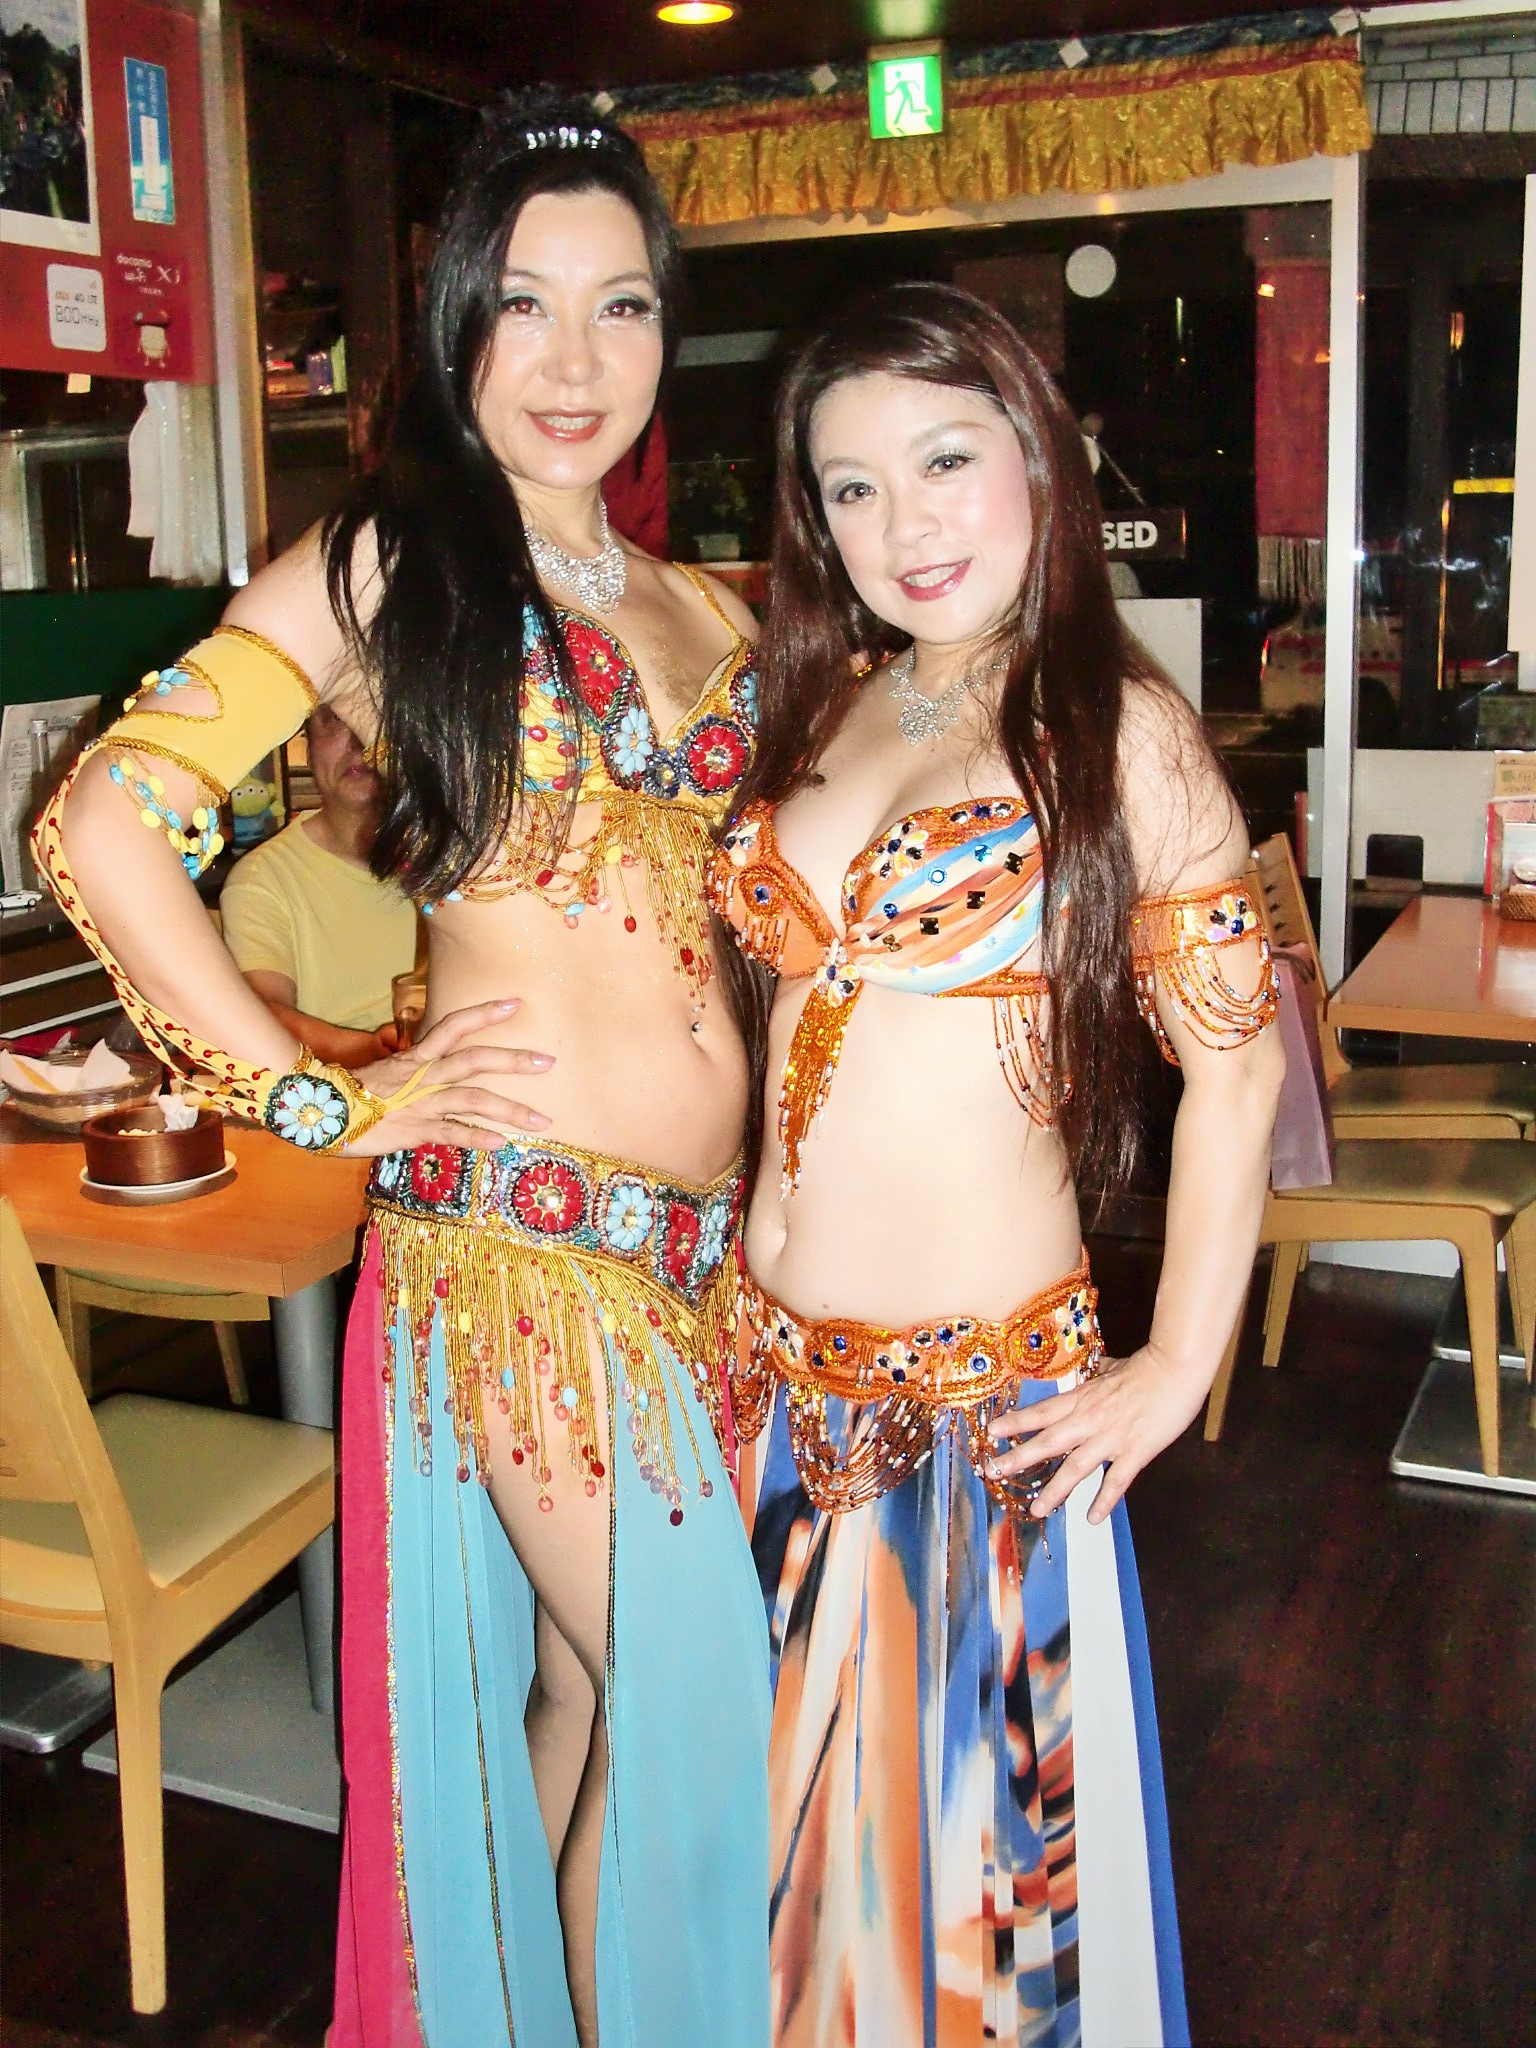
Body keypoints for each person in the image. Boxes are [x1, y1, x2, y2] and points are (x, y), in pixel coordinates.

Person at [34, 99, 769, 2048]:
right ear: (457, 326)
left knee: (591, 1697)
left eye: (621, 305)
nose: (575, 357)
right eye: (525, 303)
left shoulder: (703, 607)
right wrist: (321, 1099)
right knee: (703, 1703)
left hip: (707, 1264)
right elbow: (107, 819)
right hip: (521, 1255)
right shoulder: (383, 565)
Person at [709, 283, 1285, 2048]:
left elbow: (1240, 1069)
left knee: (965, 1936)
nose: (905, 522)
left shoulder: (1118, 726)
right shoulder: (836, 701)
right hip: (761, 1386)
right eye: (854, 486)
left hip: (974, 1419)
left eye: (946, 460)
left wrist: (1176, 1364)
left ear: (1039, 456)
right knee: (786, 1905)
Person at [220, 701, 417, 1067]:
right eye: (336, 720)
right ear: (309, 749)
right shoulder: (263, 878)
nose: (359, 740)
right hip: (343, 1089)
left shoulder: (466, 858)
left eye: (378, 714)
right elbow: (261, 1013)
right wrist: (375, 1051)